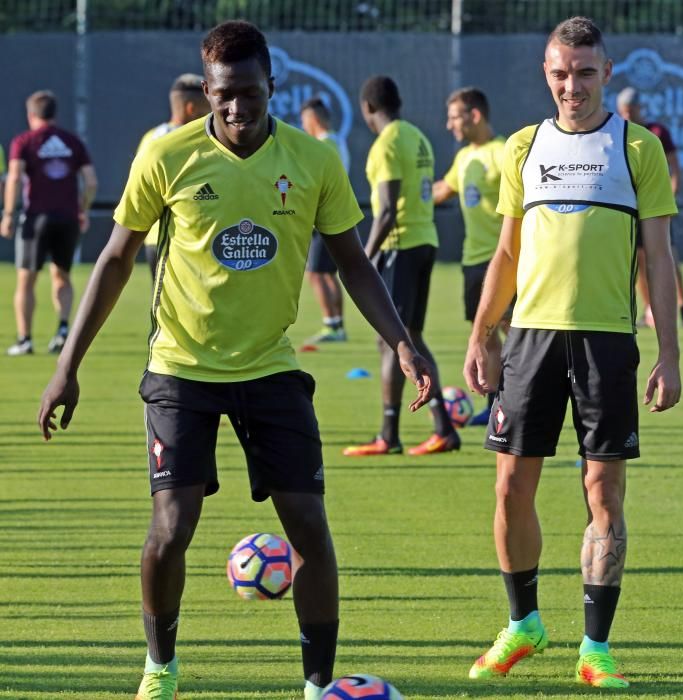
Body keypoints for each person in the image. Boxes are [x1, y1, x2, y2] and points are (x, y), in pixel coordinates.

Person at [37, 21, 434, 700]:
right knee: (171, 528)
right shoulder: (169, 157)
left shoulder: (311, 161)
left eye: (249, 94)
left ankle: (317, 685)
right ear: (206, 92)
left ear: (271, 87)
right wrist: (67, 365)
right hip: (180, 367)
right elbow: (115, 260)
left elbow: (354, 264)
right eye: (224, 96)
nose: (237, 109)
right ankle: (160, 669)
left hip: (271, 366)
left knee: (309, 523)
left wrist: (403, 338)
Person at [463, 16, 681, 688]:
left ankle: (595, 646)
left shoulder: (637, 147)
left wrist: (670, 352)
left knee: (603, 493)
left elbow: (659, 256)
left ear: (606, 73)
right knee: (509, 488)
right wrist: (481, 331)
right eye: (561, 72)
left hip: (606, 342)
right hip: (529, 339)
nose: (572, 85)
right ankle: (524, 621)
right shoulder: (523, 147)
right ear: (546, 73)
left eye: (585, 72)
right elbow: (506, 252)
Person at [343, 75, 459, 457]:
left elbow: (389, 209)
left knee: (392, 340)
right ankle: (442, 428)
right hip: (424, 241)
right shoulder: (416, 136)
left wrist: (364, 256)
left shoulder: (387, 144)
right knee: (409, 338)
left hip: (401, 245)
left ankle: (389, 434)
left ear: (367, 109)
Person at [1, 90, 97, 356]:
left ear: (31, 115)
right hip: (68, 218)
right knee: (62, 276)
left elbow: (15, 178)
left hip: (36, 218)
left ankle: (25, 340)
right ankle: (63, 331)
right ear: (53, 114)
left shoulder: (24, 141)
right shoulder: (72, 142)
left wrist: (8, 214)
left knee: (26, 281)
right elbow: (90, 182)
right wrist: (83, 210)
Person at [433, 87, 506, 427]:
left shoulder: (503, 153)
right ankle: (495, 405)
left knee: (514, 332)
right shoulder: (464, 158)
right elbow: (441, 191)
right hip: (472, 262)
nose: (450, 125)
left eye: (455, 117)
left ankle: (516, 403)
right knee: (486, 336)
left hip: (502, 262)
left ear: (474, 115)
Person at [616, 86, 683, 327]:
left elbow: (674, 168)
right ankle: (649, 311)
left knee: (668, 256)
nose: (627, 115)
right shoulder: (617, 132)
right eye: (623, 111)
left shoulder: (657, 132)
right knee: (639, 260)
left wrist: (670, 197)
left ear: (639, 108)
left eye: (631, 110)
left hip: (655, 207)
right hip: (630, 208)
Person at [136, 73, 210, 281]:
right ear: (190, 108)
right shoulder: (182, 140)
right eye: (207, 107)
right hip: (176, 238)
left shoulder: (152, 138)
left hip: (167, 239)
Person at [299, 96, 351, 342]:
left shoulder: (324, 145)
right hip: (334, 215)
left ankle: (333, 326)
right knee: (326, 273)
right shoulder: (336, 141)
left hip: (324, 217)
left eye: (304, 121)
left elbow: (317, 184)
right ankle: (336, 324)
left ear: (313, 119)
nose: (303, 126)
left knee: (317, 273)